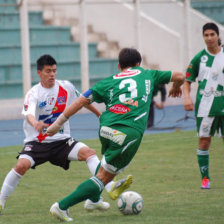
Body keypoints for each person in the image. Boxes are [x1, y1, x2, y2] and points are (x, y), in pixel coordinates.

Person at [47, 48, 185, 222]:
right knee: (104, 177)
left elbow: (81, 100)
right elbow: (180, 76)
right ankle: (62, 206)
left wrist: (56, 124)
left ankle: (93, 200)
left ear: (119, 66)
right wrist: (175, 87)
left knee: (105, 168)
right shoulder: (148, 74)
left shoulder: (108, 82)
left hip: (105, 129)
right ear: (138, 64)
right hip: (127, 133)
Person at [0, 54, 133, 215]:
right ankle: (1, 201)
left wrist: (99, 115)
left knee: (89, 153)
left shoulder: (66, 87)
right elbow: (29, 114)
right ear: (39, 73)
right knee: (21, 166)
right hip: (38, 141)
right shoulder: (33, 93)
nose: (52, 75)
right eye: (48, 71)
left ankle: (106, 190)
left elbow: (83, 100)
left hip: (62, 141)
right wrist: (36, 124)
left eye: (54, 71)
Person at [184, 22, 224, 189]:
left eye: (211, 34)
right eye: (206, 35)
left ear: (217, 35)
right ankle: (205, 179)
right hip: (205, 108)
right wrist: (187, 98)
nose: (209, 38)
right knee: (204, 142)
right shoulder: (199, 58)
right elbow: (187, 81)